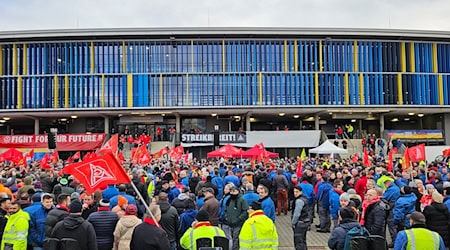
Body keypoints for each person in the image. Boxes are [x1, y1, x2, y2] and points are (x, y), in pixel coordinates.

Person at [222, 186, 248, 250]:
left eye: (234, 191)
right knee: (229, 239)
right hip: (229, 223)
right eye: (231, 191)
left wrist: (238, 219)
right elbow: (225, 210)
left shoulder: (242, 200)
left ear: (238, 191)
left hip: (238, 224)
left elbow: (245, 211)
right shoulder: (229, 199)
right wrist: (226, 217)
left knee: (236, 239)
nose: (232, 193)